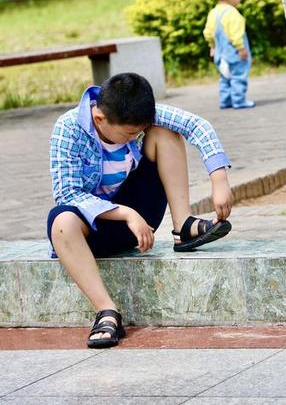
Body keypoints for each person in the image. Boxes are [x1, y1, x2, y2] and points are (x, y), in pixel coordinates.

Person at [47, 72, 234, 349]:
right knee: (61, 219)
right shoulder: (68, 128)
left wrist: (219, 179)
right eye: (130, 133)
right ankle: (107, 312)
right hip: (91, 232)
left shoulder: (133, 109)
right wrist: (125, 213)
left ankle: (183, 226)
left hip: (137, 224)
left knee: (165, 133)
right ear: (100, 119)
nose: (135, 136)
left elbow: (197, 125)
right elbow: (68, 194)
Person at [203, 0, 255, 109]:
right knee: (238, 76)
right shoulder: (232, 14)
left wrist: (212, 46)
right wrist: (241, 49)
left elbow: (208, 33)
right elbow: (236, 35)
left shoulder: (213, 13)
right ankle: (239, 100)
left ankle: (225, 101)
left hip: (220, 55)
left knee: (225, 78)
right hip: (234, 55)